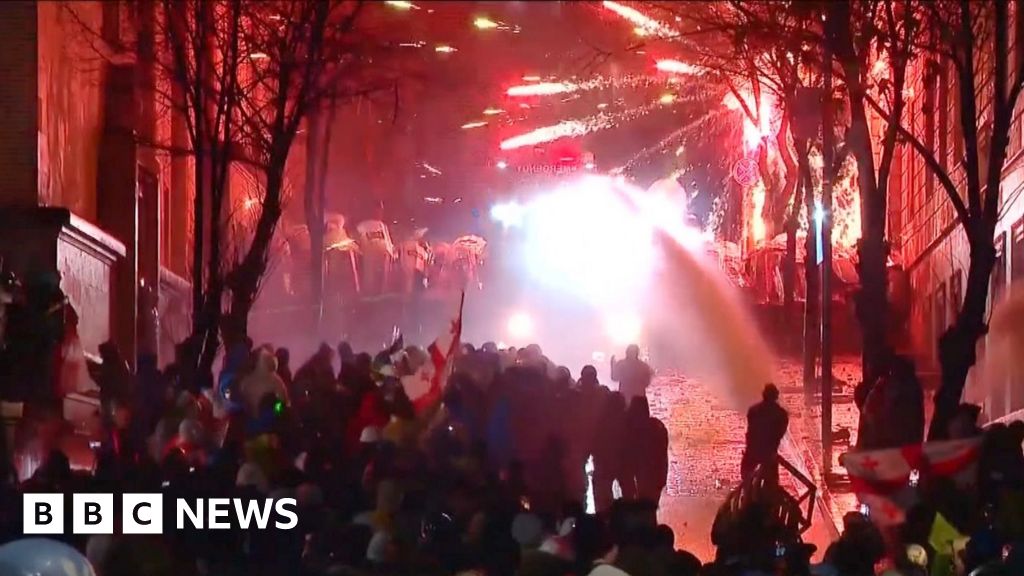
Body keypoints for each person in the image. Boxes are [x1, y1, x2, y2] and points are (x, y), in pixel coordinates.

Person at [741, 384, 789, 483]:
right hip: (769, 455)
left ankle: (747, 490)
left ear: (763, 395)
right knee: (772, 482)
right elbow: (779, 435)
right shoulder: (782, 414)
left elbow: (751, 432)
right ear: (776, 396)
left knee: (745, 473)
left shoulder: (753, 411)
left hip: (752, 452)